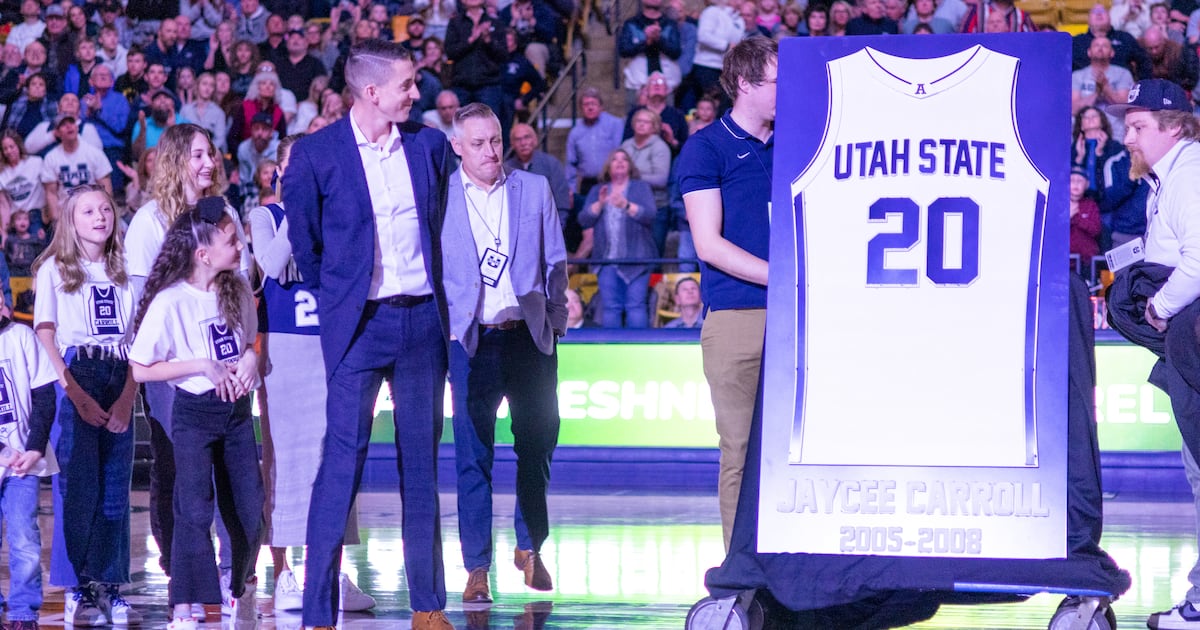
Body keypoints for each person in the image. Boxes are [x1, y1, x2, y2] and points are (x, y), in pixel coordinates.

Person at [282, 39, 455, 630]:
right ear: (372, 91)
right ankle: (317, 614)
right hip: (357, 327)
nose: (417, 93)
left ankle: (428, 606)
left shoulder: (429, 146)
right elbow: (307, 246)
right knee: (340, 467)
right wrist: (344, 296)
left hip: (423, 323)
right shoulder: (315, 155)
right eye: (408, 84)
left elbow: (442, 227)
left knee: (422, 467)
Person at [442, 102, 567, 605]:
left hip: (529, 338)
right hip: (471, 341)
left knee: (537, 447)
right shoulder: (441, 196)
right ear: (457, 147)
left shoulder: (532, 188)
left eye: (495, 140)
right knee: (473, 457)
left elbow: (556, 261)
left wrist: (556, 322)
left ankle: (529, 546)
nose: (491, 151)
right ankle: (477, 568)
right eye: (478, 143)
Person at [246, 134, 373, 614]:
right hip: (284, 346)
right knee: (282, 459)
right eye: (295, 166)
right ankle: (283, 573)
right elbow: (272, 264)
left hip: (331, 342)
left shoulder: (334, 211)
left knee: (336, 455)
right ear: (279, 172)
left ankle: (332, 572)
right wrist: (298, 206)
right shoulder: (266, 216)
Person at [124, 124, 244, 609]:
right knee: (176, 471)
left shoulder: (225, 212)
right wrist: (179, 362)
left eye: (210, 153)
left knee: (230, 472)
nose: (209, 163)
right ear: (175, 161)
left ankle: (232, 574)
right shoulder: (149, 220)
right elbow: (142, 302)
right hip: (172, 371)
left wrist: (244, 355)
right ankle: (184, 579)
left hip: (224, 365)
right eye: (197, 155)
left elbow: (240, 286)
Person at [129, 200, 262, 630]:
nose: (240, 246)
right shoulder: (171, 301)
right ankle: (185, 602)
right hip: (194, 412)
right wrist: (202, 366)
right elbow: (141, 367)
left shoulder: (237, 288)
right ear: (203, 254)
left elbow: (250, 341)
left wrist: (250, 359)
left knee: (249, 508)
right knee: (193, 509)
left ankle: (239, 586)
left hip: (237, 414)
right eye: (231, 241)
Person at [1101, 78, 1200, 630]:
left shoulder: (1190, 174)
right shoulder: (1169, 178)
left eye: (1138, 126)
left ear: (1175, 128)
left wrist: (1159, 307)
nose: (1128, 138)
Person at [676, 36, 775, 550]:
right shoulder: (706, 147)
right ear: (744, 84)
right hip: (739, 316)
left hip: (802, 317)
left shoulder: (800, 141)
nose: (787, 93)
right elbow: (708, 244)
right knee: (739, 448)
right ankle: (740, 568)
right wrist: (785, 277)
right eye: (777, 82)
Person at [32, 184, 141, 626]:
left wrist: (128, 396)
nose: (100, 217)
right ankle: (76, 585)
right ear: (71, 222)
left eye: (105, 209)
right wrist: (73, 391)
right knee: (76, 489)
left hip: (120, 371)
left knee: (115, 489)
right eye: (89, 212)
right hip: (76, 371)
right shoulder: (54, 269)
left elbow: (139, 339)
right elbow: (45, 333)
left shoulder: (127, 268)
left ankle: (109, 586)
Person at [0, 300, 59, 630]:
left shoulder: (22, 337)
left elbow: (45, 397)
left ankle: (23, 612)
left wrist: (35, 448)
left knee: (24, 538)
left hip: (23, 465)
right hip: (6, 457)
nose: (1, 303)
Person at [578, 149, 658, 328]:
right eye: (615, 159)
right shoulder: (598, 190)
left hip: (637, 259)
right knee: (611, 308)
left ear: (630, 166)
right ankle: (612, 345)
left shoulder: (640, 187)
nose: (620, 162)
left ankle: (639, 345)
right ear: (608, 166)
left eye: (624, 159)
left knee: (635, 306)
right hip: (606, 260)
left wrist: (626, 205)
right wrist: (599, 204)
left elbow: (650, 215)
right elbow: (584, 220)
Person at [41, 114, 114, 227]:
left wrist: (105, 214)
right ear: (58, 133)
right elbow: (51, 193)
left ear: (77, 127)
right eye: (63, 125)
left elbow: (106, 188)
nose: (69, 127)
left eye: (71, 123)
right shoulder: (51, 158)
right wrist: (56, 222)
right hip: (66, 214)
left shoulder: (95, 153)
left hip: (93, 212)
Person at [444, 0, 508, 117]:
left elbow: (503, 55)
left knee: (489, 123)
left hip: (489, 85)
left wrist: (488, 41)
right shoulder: (455, 23)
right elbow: (450, 52)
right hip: (461, 84)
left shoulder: (495, 22)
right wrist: (471, 39)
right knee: (461, 124)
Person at [505, 123, 572, 231]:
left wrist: (556, 231)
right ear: (512, 144)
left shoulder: (551, 164)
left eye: (527, 137)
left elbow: (562, 203)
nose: (523, 143)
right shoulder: (507, 169)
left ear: (535, 140)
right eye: (518, 139)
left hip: (548, 227)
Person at [0, 131, 46, 244]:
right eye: (5, 149)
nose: (9, 151)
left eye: (11, 147)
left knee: (37, 248)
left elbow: (49, 188)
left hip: (35, 215)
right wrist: (4, 230)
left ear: (18, 146)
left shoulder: (36, 162)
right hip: (14, 219)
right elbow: (4, 205)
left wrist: (47, 215)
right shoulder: (2, 172)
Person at [1069, 167, 1102, 265]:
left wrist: (1077, 218)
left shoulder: (1091, 205)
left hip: (1086, 261)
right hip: (1064, 260)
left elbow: (1096, 230)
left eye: (1080, 180)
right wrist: (1068, 217)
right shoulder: (1059, 204)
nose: (1076, 184)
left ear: (1087, 184)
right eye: (1072, 180)